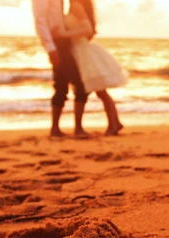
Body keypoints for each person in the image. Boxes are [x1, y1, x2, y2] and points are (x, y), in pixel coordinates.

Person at [51, 0, 128, 136]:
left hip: (82, 51)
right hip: (78, 50)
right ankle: (115, 122)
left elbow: (88, 29)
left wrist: (63, 34)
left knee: (98, 90)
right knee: (100, 91)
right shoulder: (75, 6)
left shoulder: (76, 5)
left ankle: (112, 124)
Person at [32, 0, 92, 138]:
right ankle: (77, 129)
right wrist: (51, 48)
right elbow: (39, 20)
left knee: (61, 86)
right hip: (57, 43)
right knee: (79, 84)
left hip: (63, 42)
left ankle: (56, 129)